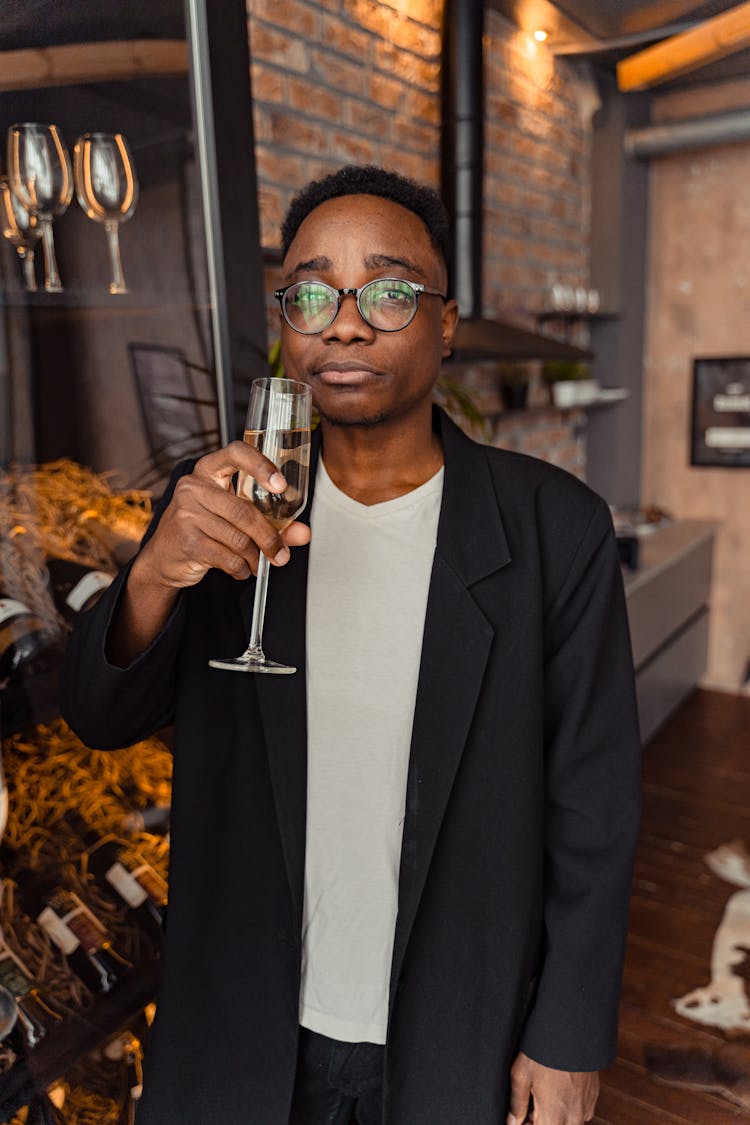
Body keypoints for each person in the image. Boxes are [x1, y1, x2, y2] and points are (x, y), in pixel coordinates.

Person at [62, 164, 641, 1125]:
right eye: (312, 292)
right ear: (287, 319)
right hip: (241, 1021)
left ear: (445, 320)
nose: (345, 321)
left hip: (462, 1025)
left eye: (386, 289)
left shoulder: (554, 530)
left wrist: (570, 1032)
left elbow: (594, 802)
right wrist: (158, 569)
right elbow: (98, 714)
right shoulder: (222, 507)